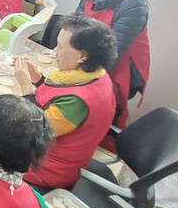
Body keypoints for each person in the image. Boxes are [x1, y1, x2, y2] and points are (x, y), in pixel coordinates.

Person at [15, 15, 117, 190]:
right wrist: (36, 78)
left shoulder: (79, 102)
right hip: (54, 154)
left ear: (82, 56)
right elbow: (59, 96)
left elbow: (33, 129)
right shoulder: (95, 74)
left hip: (47, 168)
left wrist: (25, 87)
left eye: (60, 46)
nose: (55, 50)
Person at [76, 0, 149, 129]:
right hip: (88, 57)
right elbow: (75, 25)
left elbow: (113, 51)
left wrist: (77, 73)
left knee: (101, 113)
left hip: (118, 67)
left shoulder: (134, 3)